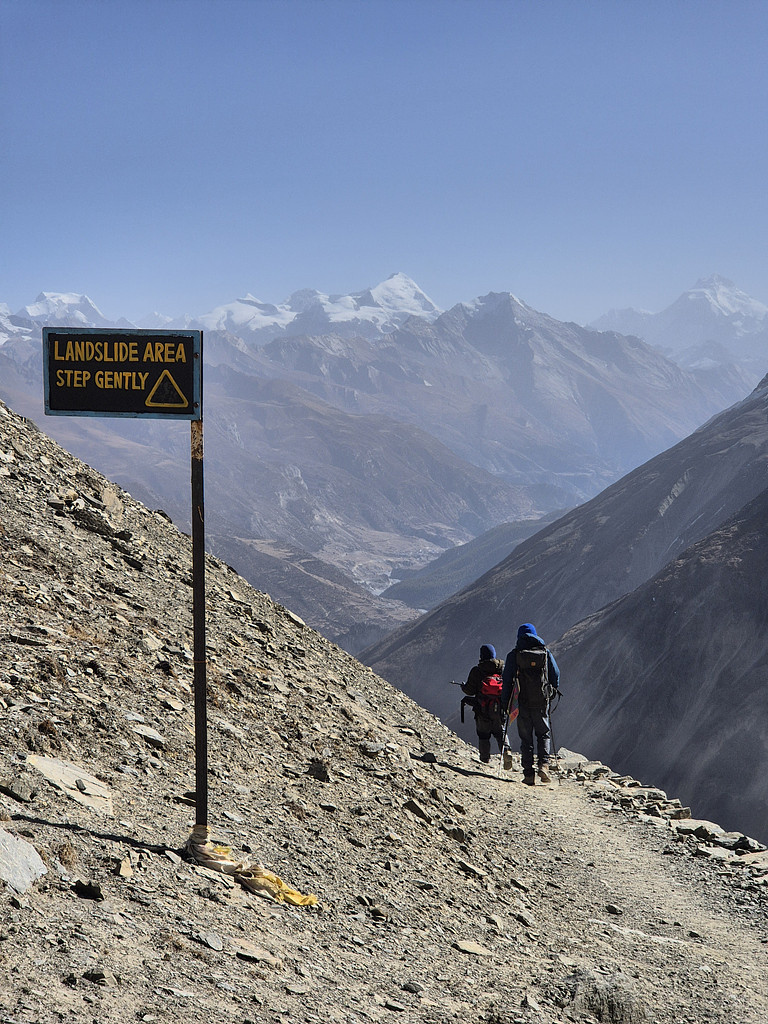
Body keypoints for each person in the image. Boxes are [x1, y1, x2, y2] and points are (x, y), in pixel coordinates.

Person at [501, 623, 560, 785]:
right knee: (543, 734)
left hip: (522, 703)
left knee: (526, 738)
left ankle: (528, 774)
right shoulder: (545, 652)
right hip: (541, 701)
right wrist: (552, 691)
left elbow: (506, 681)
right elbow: (555, 674)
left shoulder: (514, 655)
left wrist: (505, 702)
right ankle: (544, 765)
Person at [461, 644, 513, 767]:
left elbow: (469, 691)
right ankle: (506, 751)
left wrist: (463, 686)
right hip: (499, 708)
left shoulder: (477, 670)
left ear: (481, 655)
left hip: (482, 708)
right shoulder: (503, 668)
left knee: (483, 734)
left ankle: (485, 759)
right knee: (500, 732)